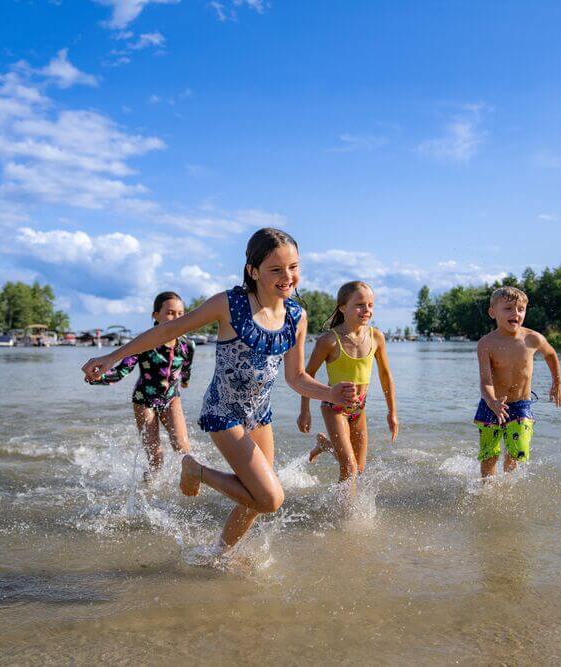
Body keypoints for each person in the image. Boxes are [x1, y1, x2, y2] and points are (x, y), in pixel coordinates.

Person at [82, 228, 358, 549]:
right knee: (270, 498)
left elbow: (295, 377)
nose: (288, 277)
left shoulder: (297, 315)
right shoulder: (230, 304)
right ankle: (196, 470)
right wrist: (111, 356)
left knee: (254, 499)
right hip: (223, 411)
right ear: (253, 271)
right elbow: (168, 330)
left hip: (259, 416)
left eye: (294, 267)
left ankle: (219, 554)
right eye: (276, 269)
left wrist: (329, 393)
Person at [297, 281, 397, 494]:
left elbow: (386, 376)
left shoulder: (376, 337)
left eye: (370, 305)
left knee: (359, 470)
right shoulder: (329, 341)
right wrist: (304, 411)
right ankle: (344, 517)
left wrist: (392, 413)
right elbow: (307, 375)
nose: (367, 310)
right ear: (343, 307)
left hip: (359, 408)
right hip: (334, 408)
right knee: (348, 467)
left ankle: (326, 445)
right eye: (360, 304)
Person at [86, 291, 195, 481]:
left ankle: (187, 484)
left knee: (183, 449)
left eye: (180, 314)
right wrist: (98, 378)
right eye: (170, 313)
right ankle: (149, 487)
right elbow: (121, 372)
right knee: (156, 456)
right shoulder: (144, 343)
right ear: (155, 315)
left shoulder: (187, 345)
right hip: (144, 399)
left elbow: (186, 367)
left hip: (171, 397)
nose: (176, 318)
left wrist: (185, 380)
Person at [474, 286, 561, 478]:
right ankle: (487, 489)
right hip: (492, 404)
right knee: (489, 455)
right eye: (508, 308)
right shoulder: (486, 344)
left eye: (520, 309)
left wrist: (557, 383)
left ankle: (508, 485)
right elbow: (485, 381)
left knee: (517, 452)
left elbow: (551, 354)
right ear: (493, 312)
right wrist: (492, 402)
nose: (515, 313)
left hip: (521, 405)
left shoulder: (533, 339)